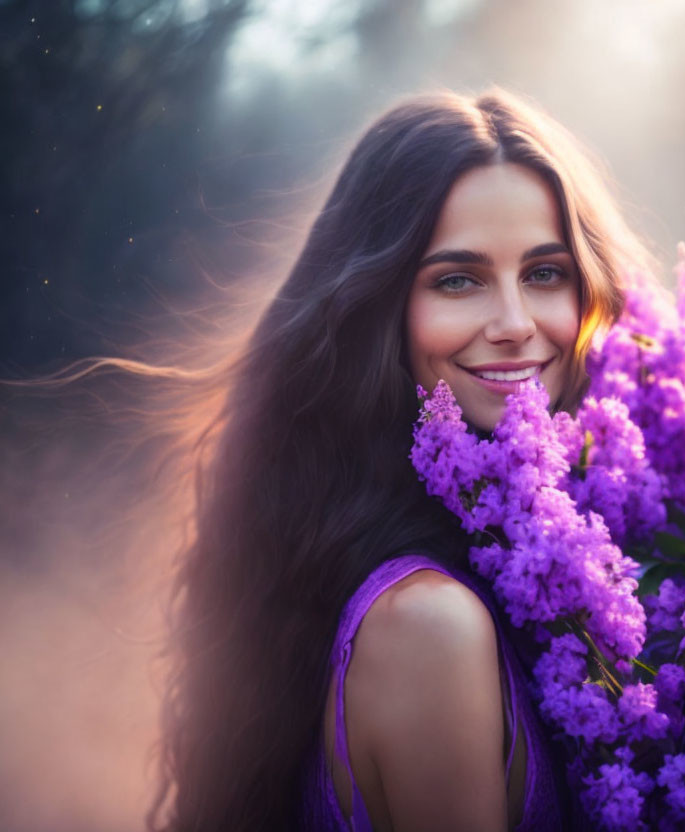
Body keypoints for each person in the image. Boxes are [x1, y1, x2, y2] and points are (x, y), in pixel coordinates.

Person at [149, 88, 652, 832]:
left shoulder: (518, 563)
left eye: (546, 273)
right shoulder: (426, 625)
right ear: (374, 307)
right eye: (459, 280)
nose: (515, 324)